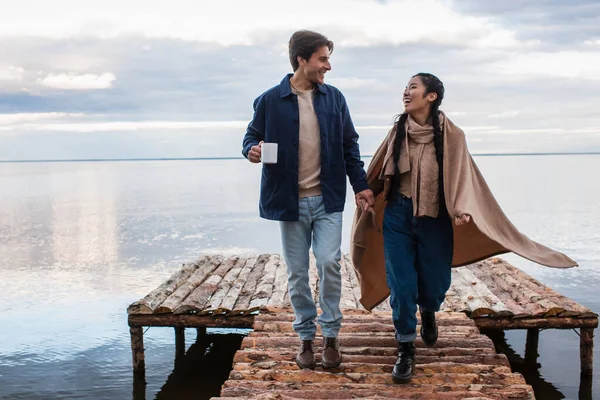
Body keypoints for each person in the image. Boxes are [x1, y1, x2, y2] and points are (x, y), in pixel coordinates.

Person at [350, 72, 577, 383]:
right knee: (401, 283)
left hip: (436, 218)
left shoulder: (452, 135)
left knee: (435, 282)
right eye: (405, 88)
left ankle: (429, 311)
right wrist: (364, 192)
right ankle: (405, 346)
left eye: (412, 88)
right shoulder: (397, 131)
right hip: (398, 216)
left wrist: (462, 208)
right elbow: (379, 169)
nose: (405, 93)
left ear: (431, 96)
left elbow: (463, 176)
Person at [242, 30, 374, 370]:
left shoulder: (334, 99)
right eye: (322, 58)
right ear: (302, 59)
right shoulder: (270, 100)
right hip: (289, 202)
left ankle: (330, 335)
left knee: (330, 263)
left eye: (328, 58)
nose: (328, 66)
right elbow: (251, 136)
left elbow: (349, 145)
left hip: (328, 199)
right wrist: (251, 150)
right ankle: (305, 338)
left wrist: (360, 185)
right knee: (298, 273)